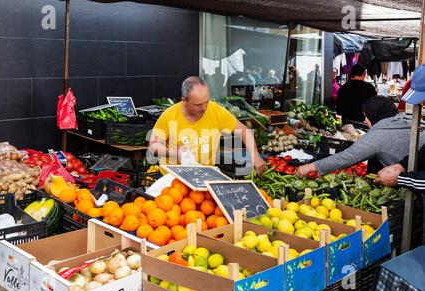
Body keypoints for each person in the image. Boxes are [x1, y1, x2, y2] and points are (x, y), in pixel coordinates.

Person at [148, 76, 267, 176]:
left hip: (204, 176)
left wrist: (255, 156)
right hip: (173, 179)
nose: (204, 107)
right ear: (184, 101)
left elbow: (244, 131)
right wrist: (175, 153)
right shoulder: (170, 115)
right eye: (198, 104)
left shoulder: (215, 110)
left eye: (206, 101)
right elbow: (153, 145)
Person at [297, 95, 425, 177]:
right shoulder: (405, 119)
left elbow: (346, 157)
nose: (364, 121)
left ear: (374, 114)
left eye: (365, 116)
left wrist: (311, 167)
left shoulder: (379, 134)